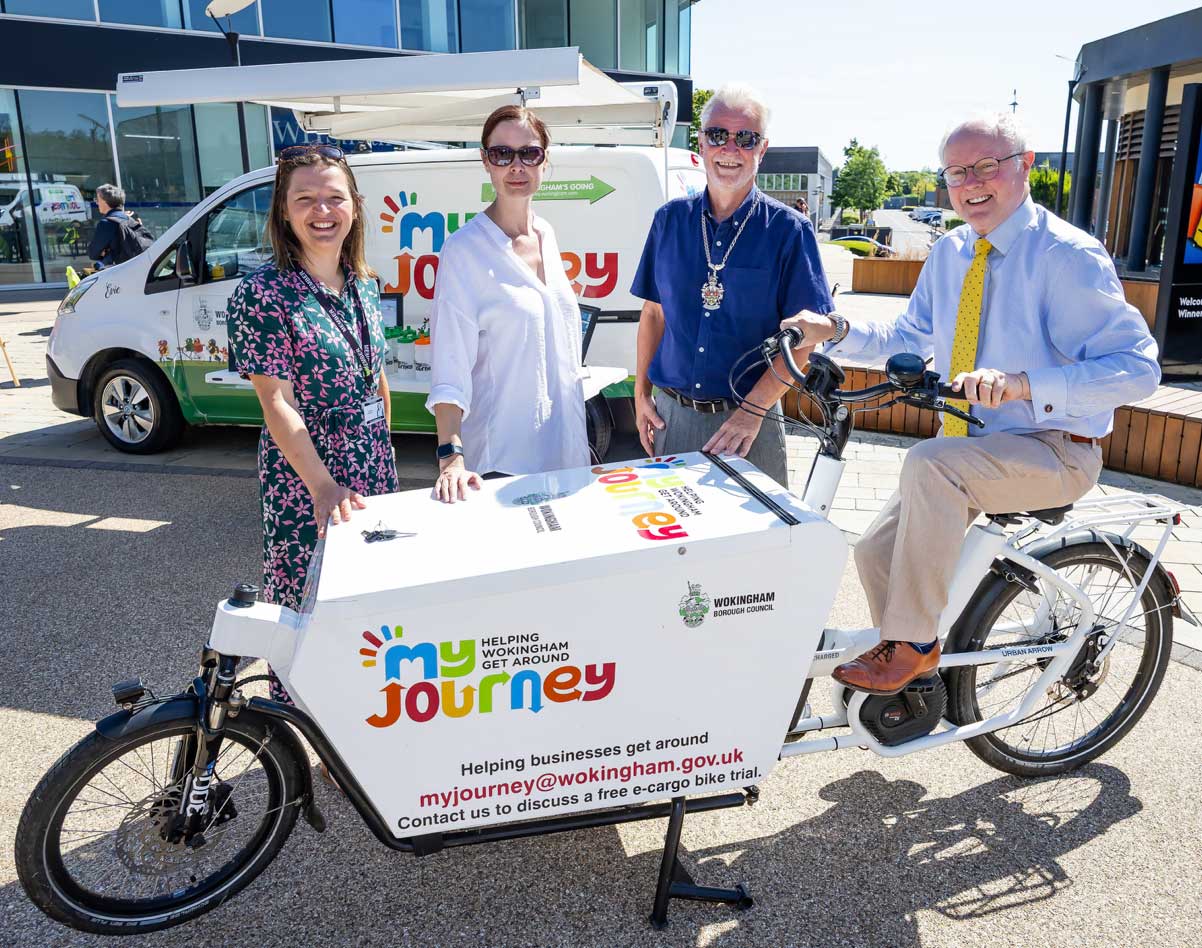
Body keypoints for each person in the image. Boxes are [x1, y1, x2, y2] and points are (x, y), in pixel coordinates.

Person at [783, 113, 1160, 694]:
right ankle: (915, 676)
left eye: (987, 165)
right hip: (975, 446)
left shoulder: (1066, 257)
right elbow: (908, 337)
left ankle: (913, 647)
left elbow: (1139, 369)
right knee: (876, 551)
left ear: (1026, 165)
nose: (971, 182)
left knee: (928, 465)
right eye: (957, 171)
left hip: (1056, 450)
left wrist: (1023, 383)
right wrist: (831, 329)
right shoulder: (953, 251)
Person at [227, 143, 399, 703]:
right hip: (309, 476)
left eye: (334, 197)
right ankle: (297, 731)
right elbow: (275, 402)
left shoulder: (364, 283)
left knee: (370, 604)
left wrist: (385, 455)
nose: (322, 211)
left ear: (355, 206)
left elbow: (377, 377)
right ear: (283, 210)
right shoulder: (262, 293)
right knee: (306, 605)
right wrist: (322, 485)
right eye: (305, 199)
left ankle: (358, 726)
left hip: (372, 464)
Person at [630, 84, 833, 487]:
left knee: (758, 547)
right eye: (718, 135)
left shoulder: (789, 231)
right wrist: (640, 396)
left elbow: (807, 342)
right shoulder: (668, 221)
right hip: (671, 418)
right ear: (702, 142)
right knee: (673, 544)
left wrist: (752, 412)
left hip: (749, 425)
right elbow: (653, 314)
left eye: (746, 138)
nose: (730, 148)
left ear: (763, 149)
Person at [426, 104, 588, 502]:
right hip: (504, 463)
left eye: (529, 153)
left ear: (544, 161)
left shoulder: (546, 234)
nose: (516, 166)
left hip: (567, 453)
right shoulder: (464, 250)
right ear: (486, 161)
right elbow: (449, 369)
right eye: (502, 154)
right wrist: (451, 460)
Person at [87, 184, 153, 267]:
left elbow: (93, 253)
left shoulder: (106, 223)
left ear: (105, 201)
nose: (97, 203)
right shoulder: (130, 219)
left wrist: (105, 252)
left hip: (121, 271)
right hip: (140, 266)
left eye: (98, 200)